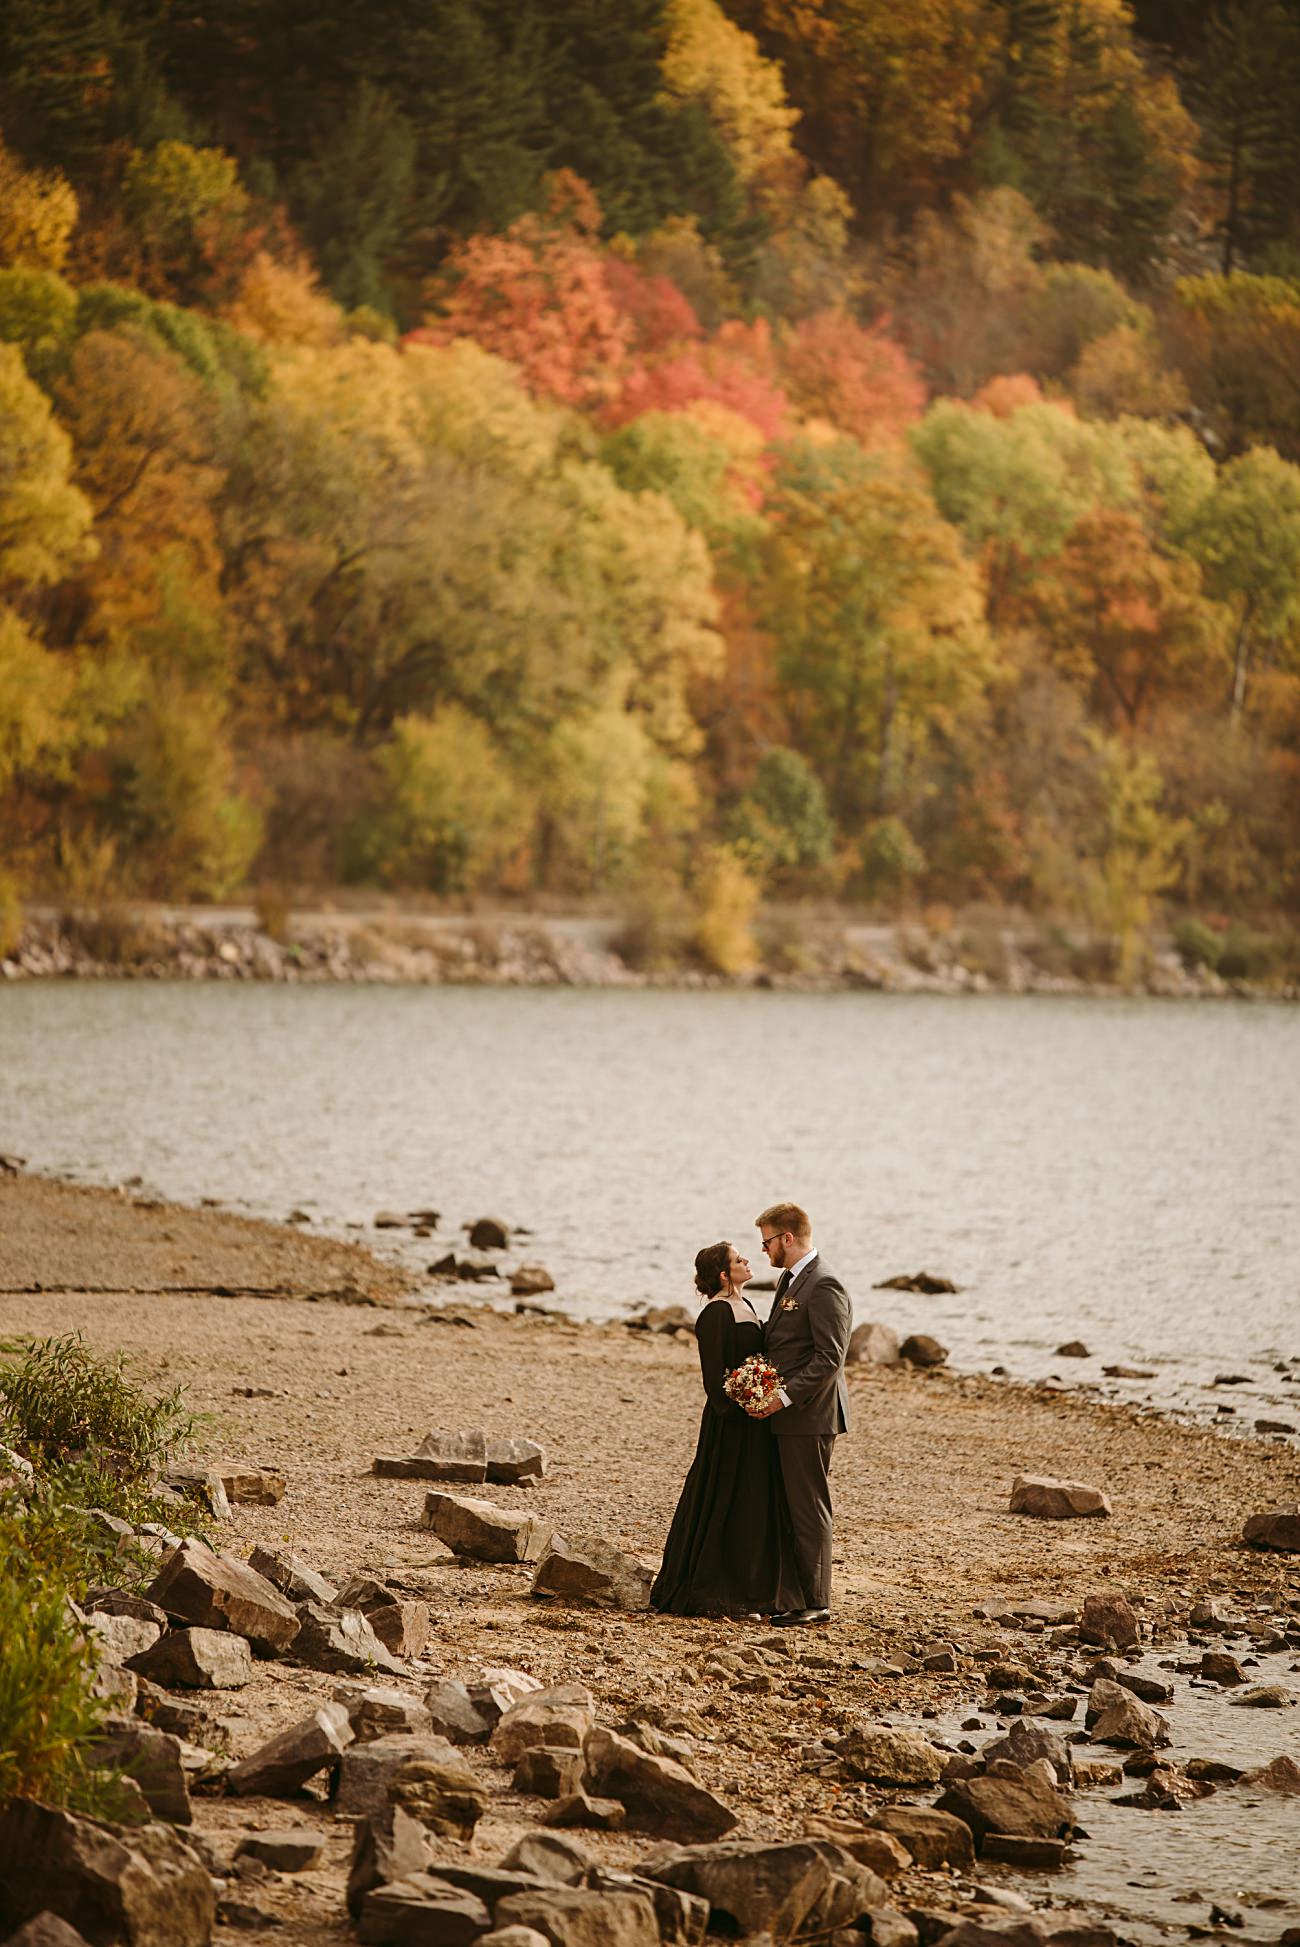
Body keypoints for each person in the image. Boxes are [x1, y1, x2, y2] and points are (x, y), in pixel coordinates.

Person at [650, 1239, 804, 1620]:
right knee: (725, 1499)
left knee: (752, 1503)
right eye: (738, 1259)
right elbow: (714, 1378)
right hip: (731, 1425)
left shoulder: (745, 1305)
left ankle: (751, 1589)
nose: (747, 1260)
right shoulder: (715, 1313)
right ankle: (713, 1590)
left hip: (754, 1421)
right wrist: (745, 1401)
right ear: (723, 1273)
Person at [746, 1201, 852, 1626]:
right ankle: (788, 1596)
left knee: (809, 1507)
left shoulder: (824, 1285)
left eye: (767, 1241)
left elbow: (829, 1358)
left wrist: (782, 1398)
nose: (764, 1250)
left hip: (809, 1416)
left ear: (787, 1239)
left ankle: (815, 1601)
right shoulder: (792, 1280)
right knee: (789, 1506)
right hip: (789, 1416)